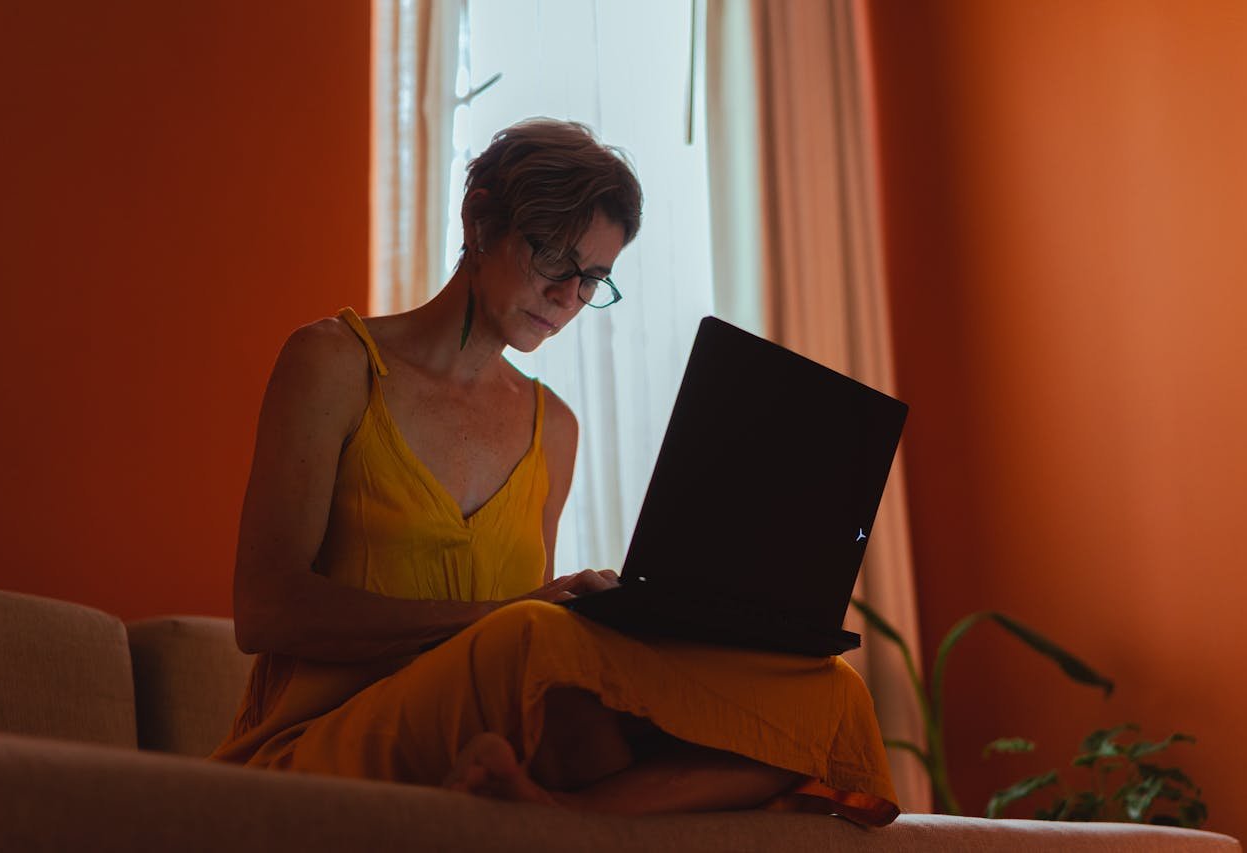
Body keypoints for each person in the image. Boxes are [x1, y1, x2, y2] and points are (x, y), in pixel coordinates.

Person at [209, 118, 899, 822]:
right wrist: (510, 613)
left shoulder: (555, 428)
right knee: (538, 639)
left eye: (594, 278)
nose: (571, 295)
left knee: (828, 690)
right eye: (555, 259)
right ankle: (579, 812)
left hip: (487, 727)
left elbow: (531, 670)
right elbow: (266, 610)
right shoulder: (333, 364)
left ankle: (564, 812)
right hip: (320, 736)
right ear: (480, 219)